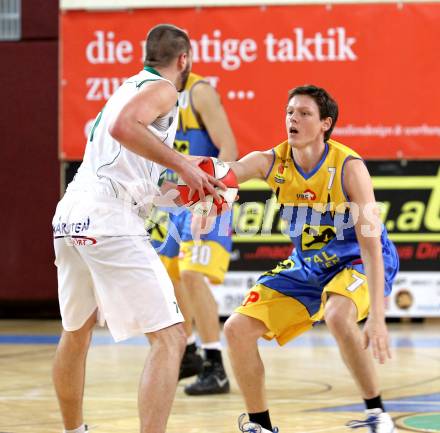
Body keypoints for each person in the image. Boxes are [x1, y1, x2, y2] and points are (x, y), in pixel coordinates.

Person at [51, 24, 225, 433]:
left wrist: (184, 191)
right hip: (108, 220)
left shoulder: (122, 90)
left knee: (75, 333)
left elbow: (135, 172)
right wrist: (184, 164)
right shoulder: (164, 90)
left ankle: (74, 430)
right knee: (171, 337)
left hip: (72, 214)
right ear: (183, 60)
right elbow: (122, 128)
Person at [223, 85, 399, 433]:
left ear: (324, 124)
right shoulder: (272, 161)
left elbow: (371, 246)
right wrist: (200, 183)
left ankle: (378, 415)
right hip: (309, 263)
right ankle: (260, 426)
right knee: (236, 330)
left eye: (304, 113)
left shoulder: (349, 167)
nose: (293, 119)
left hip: (357, 259)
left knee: (337, 314)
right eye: (290, 112)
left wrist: (377, 316)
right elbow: (231, 171)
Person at [149, 71, 238, 395]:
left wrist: (212, 197)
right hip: (173, 199)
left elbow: (229, 146)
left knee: (192, 275)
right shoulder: (153, 96)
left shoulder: (199, 92)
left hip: (206, 196)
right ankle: (188, 354)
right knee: (167, 275)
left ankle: (215, 366)